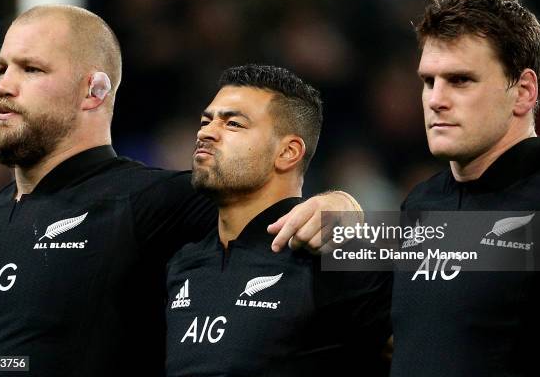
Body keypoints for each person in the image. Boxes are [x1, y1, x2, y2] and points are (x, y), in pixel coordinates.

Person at [0, 5, 362, 376]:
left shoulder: (151, 201)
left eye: (31, 69)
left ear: (94, 91)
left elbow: (274, 209)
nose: (4, 86)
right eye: (1, 68)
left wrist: (340, 205)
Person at [390, 0, 540, 377]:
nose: (436, 99)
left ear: (524, 91)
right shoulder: (420, 205)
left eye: (460, 80)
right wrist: (337, 206)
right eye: (428, 81)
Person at [165, 64, 392, 376]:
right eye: (206, 121)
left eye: (233, 124)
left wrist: (354, 213)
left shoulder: (326, 253)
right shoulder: (182, 262)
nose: (205, 132)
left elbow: (477, 243)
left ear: (288, 152)